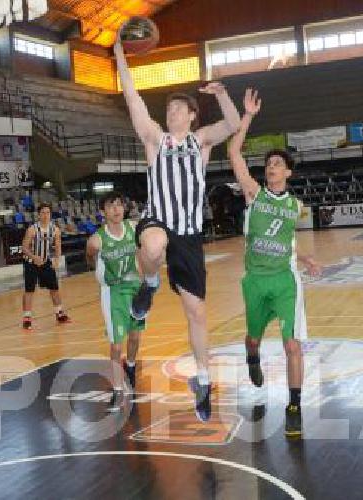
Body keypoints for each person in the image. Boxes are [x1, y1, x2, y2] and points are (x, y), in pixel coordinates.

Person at [114, 32, 242, 422]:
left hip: (188, 234)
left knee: (197, 314)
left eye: (177, 109)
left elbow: (234, 123)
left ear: (190, 115)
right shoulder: (156, 139)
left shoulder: (201, 142)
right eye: (167, 109)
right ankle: (150, 285)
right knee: (152, 245)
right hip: (158, 221)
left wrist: (221, 93)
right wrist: (120, 54)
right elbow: (133, 99)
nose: (170, 113)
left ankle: (202, 381)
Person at [227, 88, 323, 437]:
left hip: (285, 280)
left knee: (292, 345)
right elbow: (233, 152)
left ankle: (294, 404)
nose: (271, 167)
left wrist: (304, 257)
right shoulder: (254, 192)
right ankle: (252, 357)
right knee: (252, 339)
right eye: (268, 164)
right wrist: (248, 116)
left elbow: (286, 239)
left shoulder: (294, 206)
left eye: (277, 164)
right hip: (255, 280)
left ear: (289, 173)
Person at [85, 191, 145, 409]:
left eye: (119, 205)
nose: (117, 209)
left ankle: (130, 366)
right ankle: (118, 390)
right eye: (111, 206)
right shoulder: (97, 240)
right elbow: (89, 256)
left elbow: (141, 251)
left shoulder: (133, 228)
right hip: (113, 292)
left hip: (135, 288)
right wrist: (99, 273)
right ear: (103, 212)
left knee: (135, 338)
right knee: (116, 344)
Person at [20, 203, 71, 330]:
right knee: (29, 290)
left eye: (48, 212)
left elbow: (58, 246)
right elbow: (24, 248)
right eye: (43, 213)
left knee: (54, 288)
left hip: (45, 261)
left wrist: (57, 259)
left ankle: (59, 314)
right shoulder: (32, 229)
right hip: (31, 262)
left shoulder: (55, 229)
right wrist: (34, 257)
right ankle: (27, 318)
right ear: (38, 215)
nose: (45, 215)